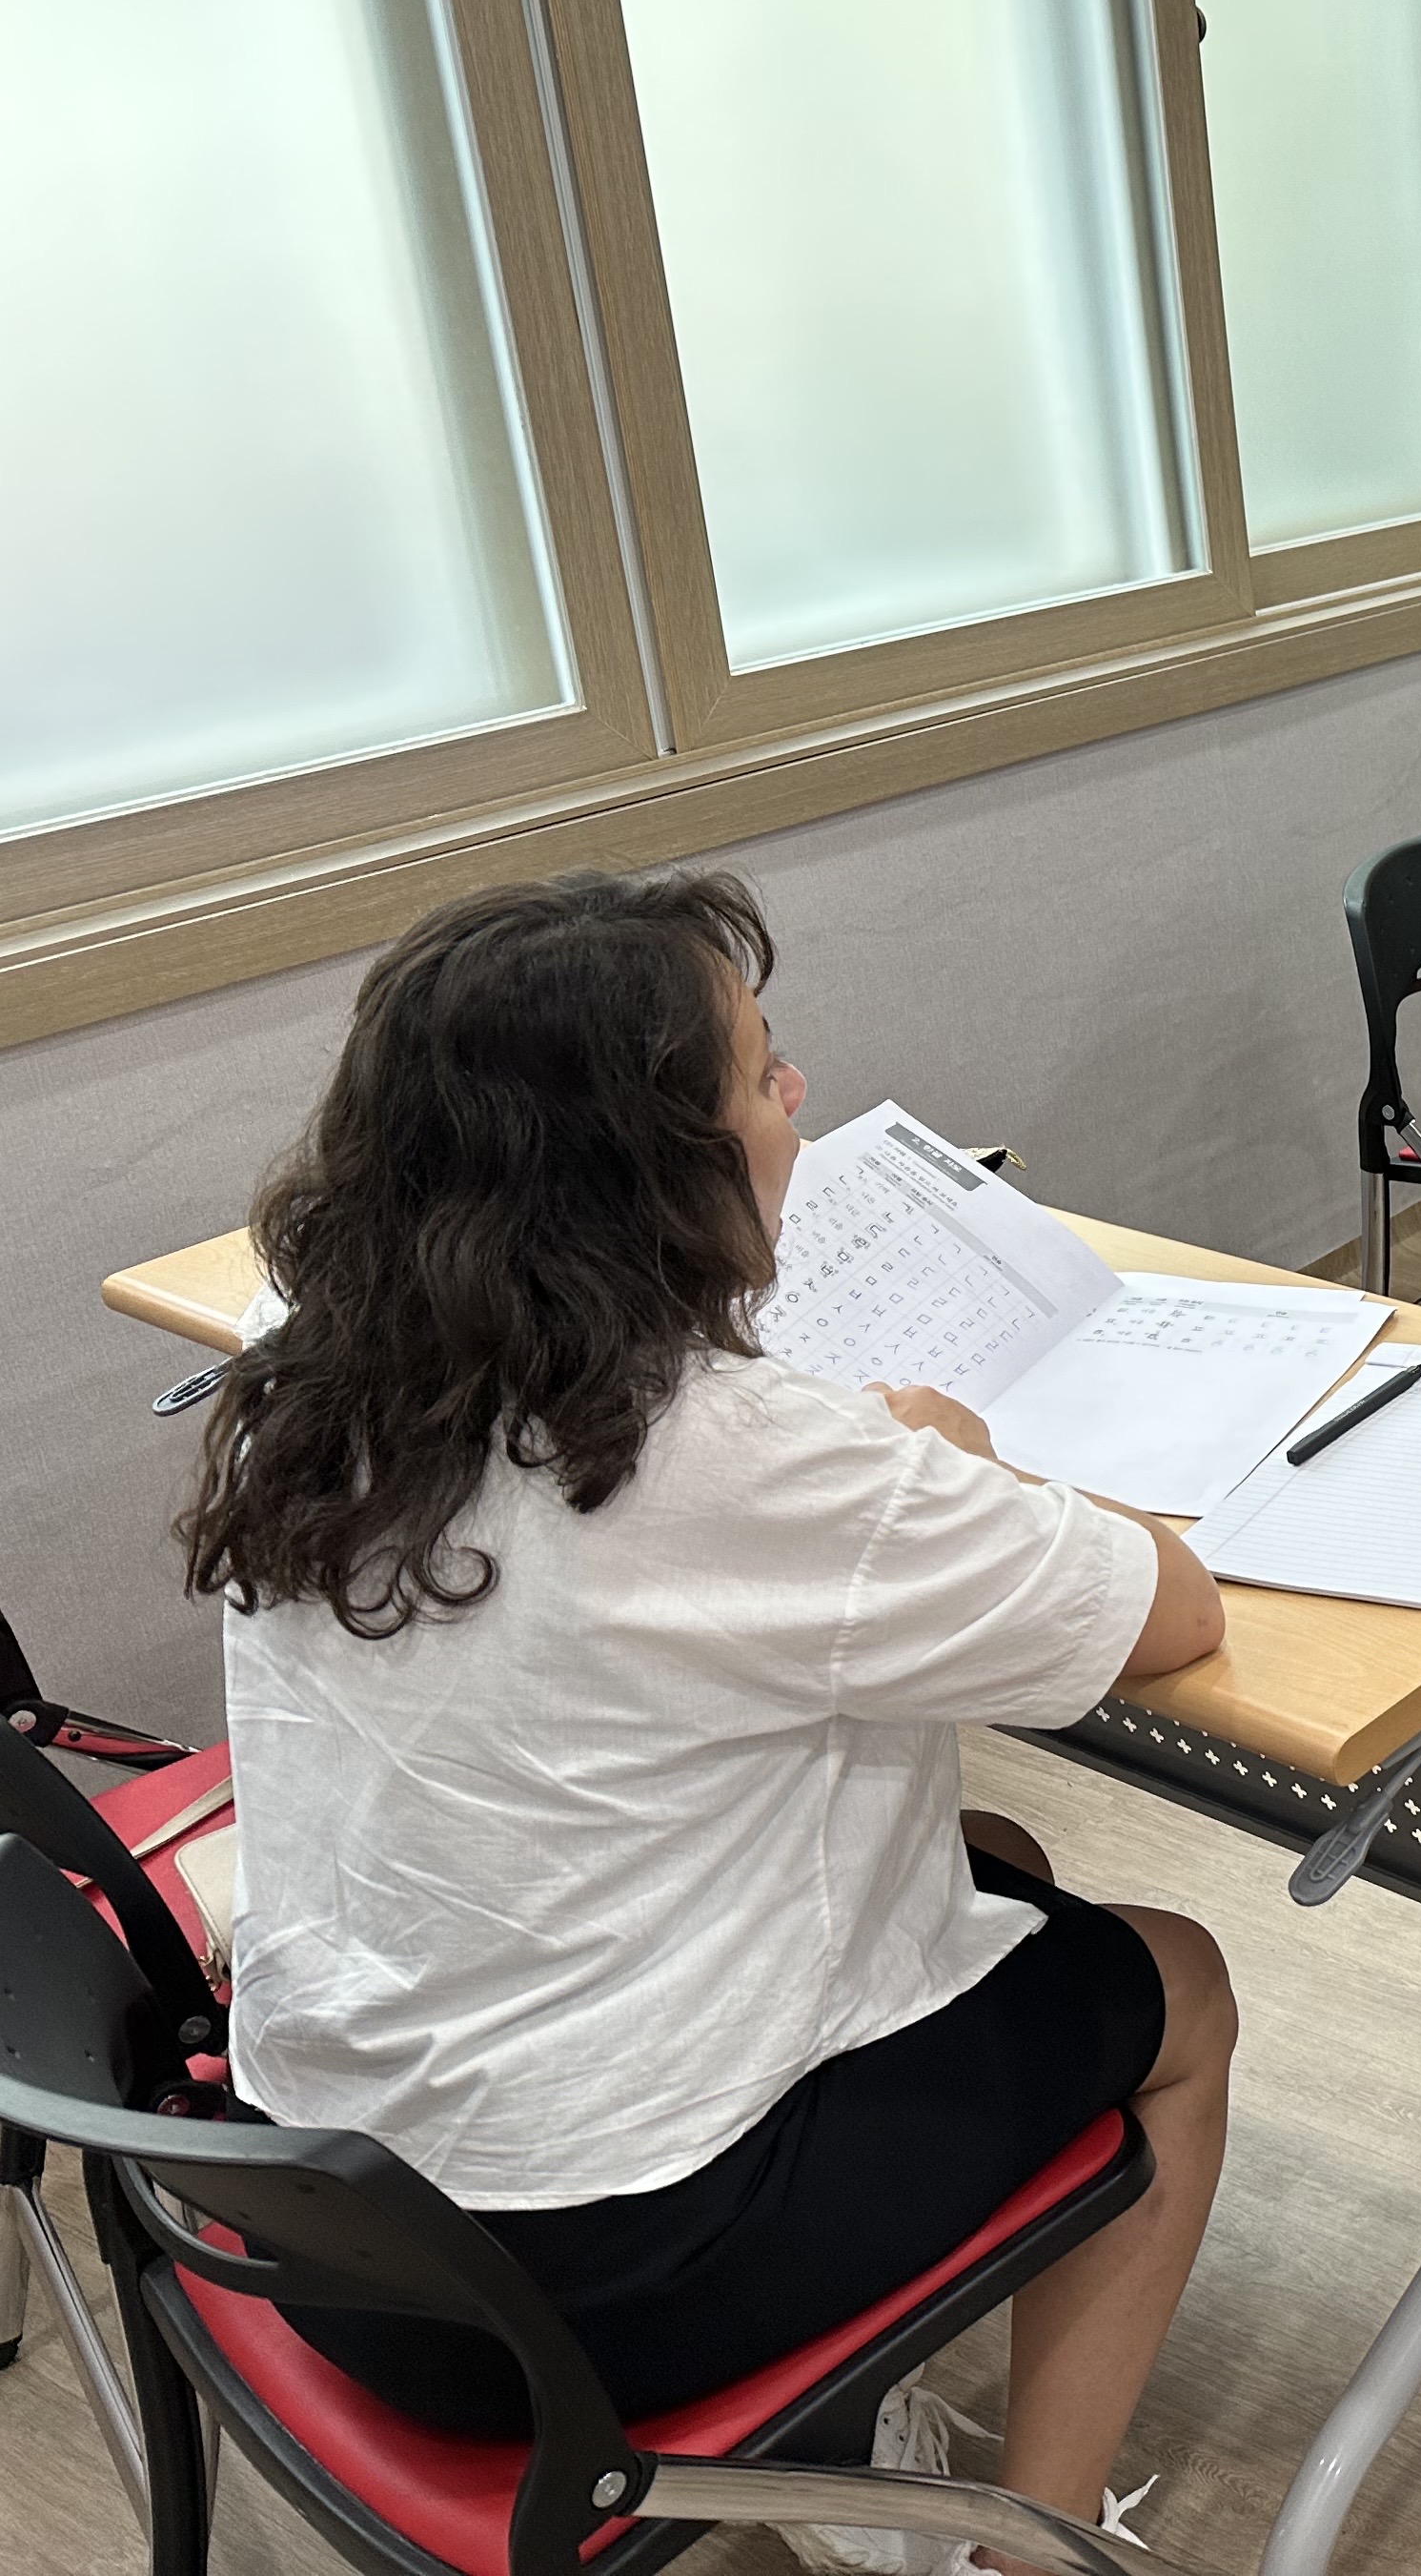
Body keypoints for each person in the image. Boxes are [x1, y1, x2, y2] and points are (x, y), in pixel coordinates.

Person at [182, 871, 1236, 2573]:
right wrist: (965, 1462)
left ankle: (859, 2423)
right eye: (760, 1073)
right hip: (587, 2283)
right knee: (1176, 1979)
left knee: (990, 1859)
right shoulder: (723, 1452)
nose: (796, 1091)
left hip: (325, 2208)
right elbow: (1171, 1608)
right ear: (649, 1168)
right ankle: (1030, 2548)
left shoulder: (293, 1359)